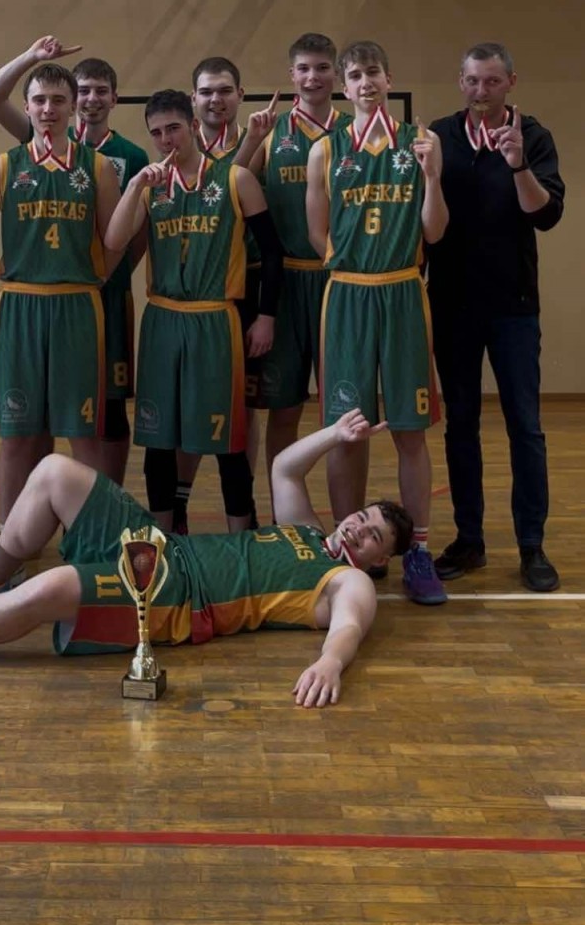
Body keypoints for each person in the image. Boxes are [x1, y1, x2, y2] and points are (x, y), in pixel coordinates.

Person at [0, 409, 414, 709]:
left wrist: (331, 664)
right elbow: (285, 467)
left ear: (376, 562)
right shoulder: (306, 532)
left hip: (177, 598)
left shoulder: (346, 581)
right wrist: (336, 434)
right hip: (162, 547)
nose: (358, 528)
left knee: (53, 588)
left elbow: (348, 628)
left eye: (373, 537)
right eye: (363, 517)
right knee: (55, 472)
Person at [0, 51, 122, 546]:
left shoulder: (98, 167)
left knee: (84, 435)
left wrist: (90, 280)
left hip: (77, 306)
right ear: (27, 106)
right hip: (20, 307)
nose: (48, 109)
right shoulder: (4, 166)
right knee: (17, 436)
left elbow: (113, 242)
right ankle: (10, 541)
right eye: (39, 100)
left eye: (58, 100)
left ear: (73, 106)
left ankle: (94, 541)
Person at [306, 40, 448, 606]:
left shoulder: (420, 143)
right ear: (344, 87)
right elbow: (318, 234)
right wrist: (353, 266)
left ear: (389, 79)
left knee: (410, 430)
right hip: (347, 295)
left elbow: (434, 231)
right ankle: (350, 549)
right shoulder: (325, 149)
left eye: (373, 73)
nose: (365, 82)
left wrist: (433, 178)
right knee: (349, 430)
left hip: (403, 291)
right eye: (355, 75)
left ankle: (417, 551)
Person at [103, 88, 282, 535]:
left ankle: (241, 542)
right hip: (163, 320)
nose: (166, 139)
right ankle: (164, 541)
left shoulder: (236, 178)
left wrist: (266, 315)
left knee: (228, 440)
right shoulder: (150, 187)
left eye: (174, 128)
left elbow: (272, 253)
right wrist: (135, 187)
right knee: (158, 438)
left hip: (216, 319)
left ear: (194, 127)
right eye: (157, 133)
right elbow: (114, 242)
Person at [0, 36, 148, 484]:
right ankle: (31, 513)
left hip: (92, 295)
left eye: (99, 91)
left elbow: (131, 233)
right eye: (83, 90)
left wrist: (103, 273)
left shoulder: (126, 157)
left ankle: (102, 509)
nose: (91, 99)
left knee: (100, 415)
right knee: (29, 424)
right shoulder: (35, 142)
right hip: (36, 297)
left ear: (112, 98)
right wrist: (32, 56)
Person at [427, 43, 565, 592]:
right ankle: (470, 540)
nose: (480, 91)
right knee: (460, 425)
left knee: (525, 427)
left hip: (514, 308)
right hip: (453, 306)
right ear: (460, 82)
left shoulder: (533, 136)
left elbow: (545, 215)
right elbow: (425, 223)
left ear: (511, 82)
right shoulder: (439, 135)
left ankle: (532, 545)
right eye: (472, 81)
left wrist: (518, 165)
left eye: (491, 81)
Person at [234, 33, 354, 500]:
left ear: (336, 74)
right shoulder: (272, 131)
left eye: (322, 67)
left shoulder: (353, 131)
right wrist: (251, 138)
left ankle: (343, 516)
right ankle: (284, 514)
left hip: (338, 280)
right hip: (283, 284)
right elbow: (230, 186)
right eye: (304, 68)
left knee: (343, 409)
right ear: (291, 75)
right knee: (283, 410)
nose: (313, 76)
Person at [173, 57, 261, 532]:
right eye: (206, 92)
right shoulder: (178, 148)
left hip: (242, 287)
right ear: (194, 99)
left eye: (225, 90)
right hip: (190, 295)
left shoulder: (260, 143)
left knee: (241, 405)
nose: (216, 100)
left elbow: (233, 193)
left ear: (240, 95)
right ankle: (179, 501)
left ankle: (243, 503)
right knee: (186, 404)